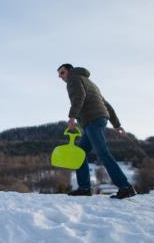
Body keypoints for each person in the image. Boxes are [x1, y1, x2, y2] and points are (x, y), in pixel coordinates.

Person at [57, 64, 136, 199]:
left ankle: (125, 187)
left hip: (92, 120)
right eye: (59, 74)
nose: (60, 77)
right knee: (80, 154)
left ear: (69, 71)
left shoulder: (73, 79)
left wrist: (72, 116)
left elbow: (79, 96)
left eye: (62, 73)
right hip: (96, 120)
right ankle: (84, 188)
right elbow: (106, 105)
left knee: (103, 153)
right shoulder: (90, 83)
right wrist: (116, 125)